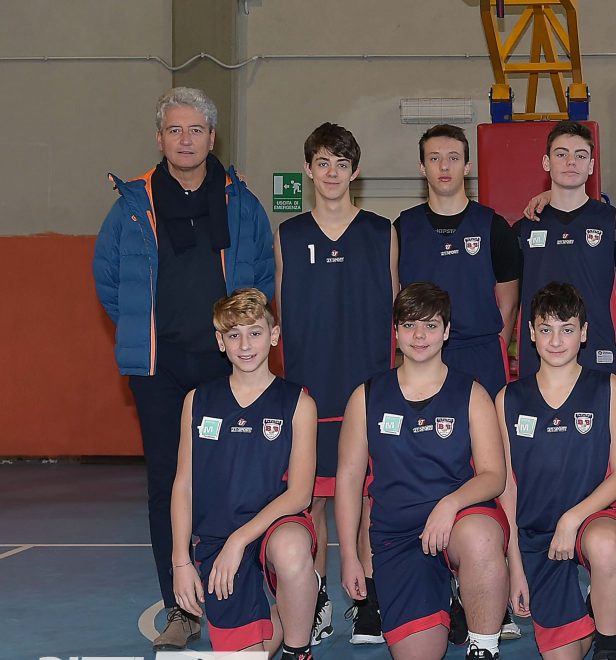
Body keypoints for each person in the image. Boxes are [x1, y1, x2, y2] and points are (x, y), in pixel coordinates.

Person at [92, 86, 274, 651]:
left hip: (227, 369)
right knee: (167, 482)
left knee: (237, 480)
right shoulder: (132, 205)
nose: (186, 139)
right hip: (159, 370)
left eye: (196, 130)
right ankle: (179, 605)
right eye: (175, 130)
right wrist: (143, 330)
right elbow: (108, 280)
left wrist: (240, 342)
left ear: (212, 137)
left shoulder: (241, 203)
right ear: (160, 138)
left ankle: (240, 595)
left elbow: (262, 278)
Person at [335, 283, 510, 660]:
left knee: (480, 538)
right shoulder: (366, 397)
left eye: (430, 325)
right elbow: (348, 480)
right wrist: (349, 555)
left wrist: (450, 504)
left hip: (460, 520)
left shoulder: (472, 394)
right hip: (398, 535)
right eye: (410, 325)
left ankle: (483, 648)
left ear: (446, 332)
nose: (419, 335)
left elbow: (494, 476)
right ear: (395, 331)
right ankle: (450, 601)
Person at [275, 122, 399, 645]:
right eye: (322, 163)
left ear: (355, 170)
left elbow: (396, 311)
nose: (331, 173)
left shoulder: (381, 231)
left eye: (341, 164)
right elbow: (281, 317)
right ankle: (318, 596)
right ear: (308, 169)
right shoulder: (288, 235)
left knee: (368, 497)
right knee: (312, 500)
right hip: (311, 385)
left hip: (366, 383)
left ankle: (368, 601)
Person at [170, 288, 318, 660]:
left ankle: (298, 650)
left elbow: (300, 495)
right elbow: (184, 485)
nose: (245, 344)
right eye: (233, 335)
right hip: (217, 537)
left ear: (274, 335)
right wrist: (180, 561)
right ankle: (286, 610)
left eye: (254, 332)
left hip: (275, 525)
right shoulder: (197, 401)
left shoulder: (298, 403)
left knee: (291, 548)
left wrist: (239, 540)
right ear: (221, 342)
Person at [497, 282, 616, 660]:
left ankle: (609, 648)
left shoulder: (607, 387)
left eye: (567, 329)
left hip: (594, 517)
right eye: (546, 329)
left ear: (583, 333)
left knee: (605, 545)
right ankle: (595, 610)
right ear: (531, 333)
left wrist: (572, 519)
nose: (556, 340)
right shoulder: (508, 399)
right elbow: (508, 490)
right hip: (538, 535)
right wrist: (515, 567)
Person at [396, 124, 521, 396]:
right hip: (423, 353)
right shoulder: (402, 229)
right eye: (434, 158)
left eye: (453, 158)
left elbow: (509, 304)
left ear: (467, 167)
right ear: (422, 167)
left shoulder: (494, 226)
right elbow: (393, 296)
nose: (444, 166)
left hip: (482, 355)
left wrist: (496, 347)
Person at [514, 121, 616, 377]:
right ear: (546, 162)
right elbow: (511, 302)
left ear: (591, 166)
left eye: (580, 155)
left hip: (596, 355)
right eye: (561, 154)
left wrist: (607, 340)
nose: (571, 162)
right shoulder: (523, 229)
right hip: (538, 358)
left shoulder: (615, 223)